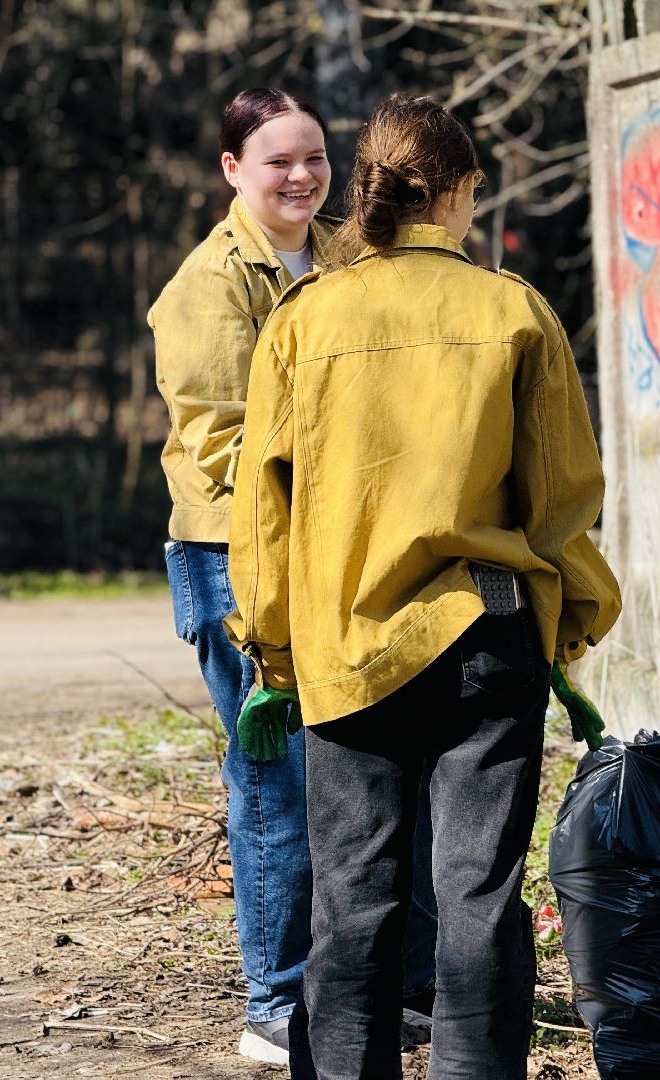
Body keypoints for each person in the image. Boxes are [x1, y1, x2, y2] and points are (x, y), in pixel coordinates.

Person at [224, 94, 622, 1080]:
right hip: (489, 641)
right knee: (480, 899)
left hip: (344, 650)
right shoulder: (513, 311)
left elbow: (263, 514)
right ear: (457, 194)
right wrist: (568, 631)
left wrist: (272, 655)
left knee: (353, 908)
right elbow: (562, 501)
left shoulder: (302, 322)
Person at [151, 87, 434, 1065]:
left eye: (316, 156)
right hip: (234, 555)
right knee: (272, 781)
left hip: (333, 545)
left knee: (365, 760)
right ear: (232, 170)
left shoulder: (346, 257)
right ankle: (273, 1004)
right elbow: (232, 447)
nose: (304, 176)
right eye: (280, 161)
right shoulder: (205, 290)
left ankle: (373, 982)